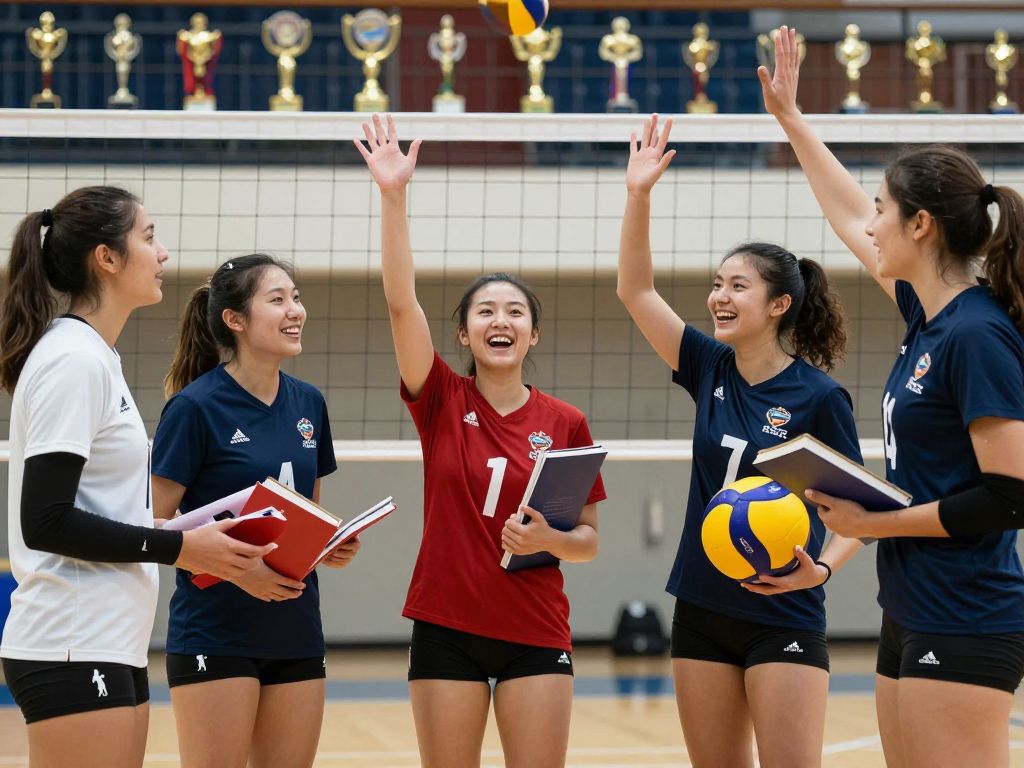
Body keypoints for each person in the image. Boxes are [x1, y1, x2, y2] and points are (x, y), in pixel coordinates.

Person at [762, 26, 1024, 768]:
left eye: (885, 208)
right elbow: (846, 216)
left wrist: (880, 522)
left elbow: (1010, 497)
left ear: (920, 224)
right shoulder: (929, 318)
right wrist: (792, 121)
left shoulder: (976, 335)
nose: (869, 221)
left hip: (969, 611)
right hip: (911, 607)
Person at [356, 114, 606, 768]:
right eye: (486, 312)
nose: (502, 319)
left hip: (536, 628)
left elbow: (587, 542)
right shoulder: (440, 397)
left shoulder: (567, 422)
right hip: (446, 628)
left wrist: (549, 541)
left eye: (515, 311)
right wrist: (393, 197)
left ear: (533, 335)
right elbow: (400, 302)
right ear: (464, 335)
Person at [617, 115, 865, 768]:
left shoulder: (818, 398)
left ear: (779, 305)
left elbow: (861, 517)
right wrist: (638, 195)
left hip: (784, 606)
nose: (718, 297)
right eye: (717, 283)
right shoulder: (709, 366)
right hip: (702, 603)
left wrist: (821, 570)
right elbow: (636, 291)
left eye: (737, 286)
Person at [0, 187, 269, 768]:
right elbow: (45, 520)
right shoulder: (72, 360)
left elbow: (95, 510)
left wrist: (200, 537)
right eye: (149, 237)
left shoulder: (94, 356)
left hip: (105, 637)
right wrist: (177, 546)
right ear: (107, 258)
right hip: (71, 639)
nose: (164, 253)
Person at [151, 253, 358, 768]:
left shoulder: (309, 403)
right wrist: (244, 573)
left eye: (296, 297)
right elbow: (151, 530)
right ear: (235, 320)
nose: (295, 310)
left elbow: (307, 513)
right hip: (215, 629)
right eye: (277, 299)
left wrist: (327, 544)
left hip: (295, 626)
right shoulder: (195, 408)